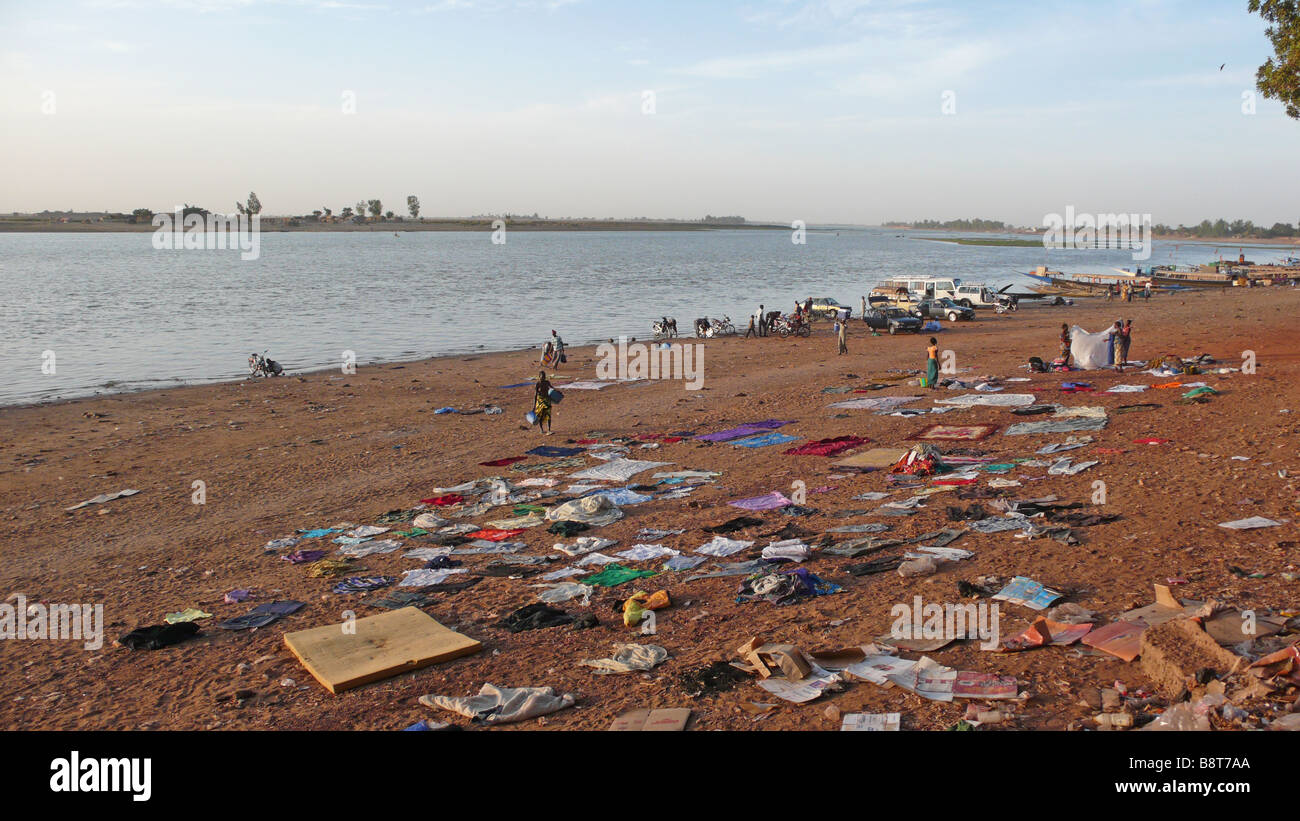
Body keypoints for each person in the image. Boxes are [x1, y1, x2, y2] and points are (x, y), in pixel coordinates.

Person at [534, 370, 554, 435]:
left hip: (547, 400)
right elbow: (536, 394)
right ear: (539, 377)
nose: (542, 378)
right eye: (541, 377)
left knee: (548, 415)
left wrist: (557, 392)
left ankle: (549, 430)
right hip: (540, 401)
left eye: (543, 377)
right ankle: (541, 429)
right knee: (540, 415)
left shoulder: (547, 382)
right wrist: (534, 405)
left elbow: (552, 388)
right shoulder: (538, 384)